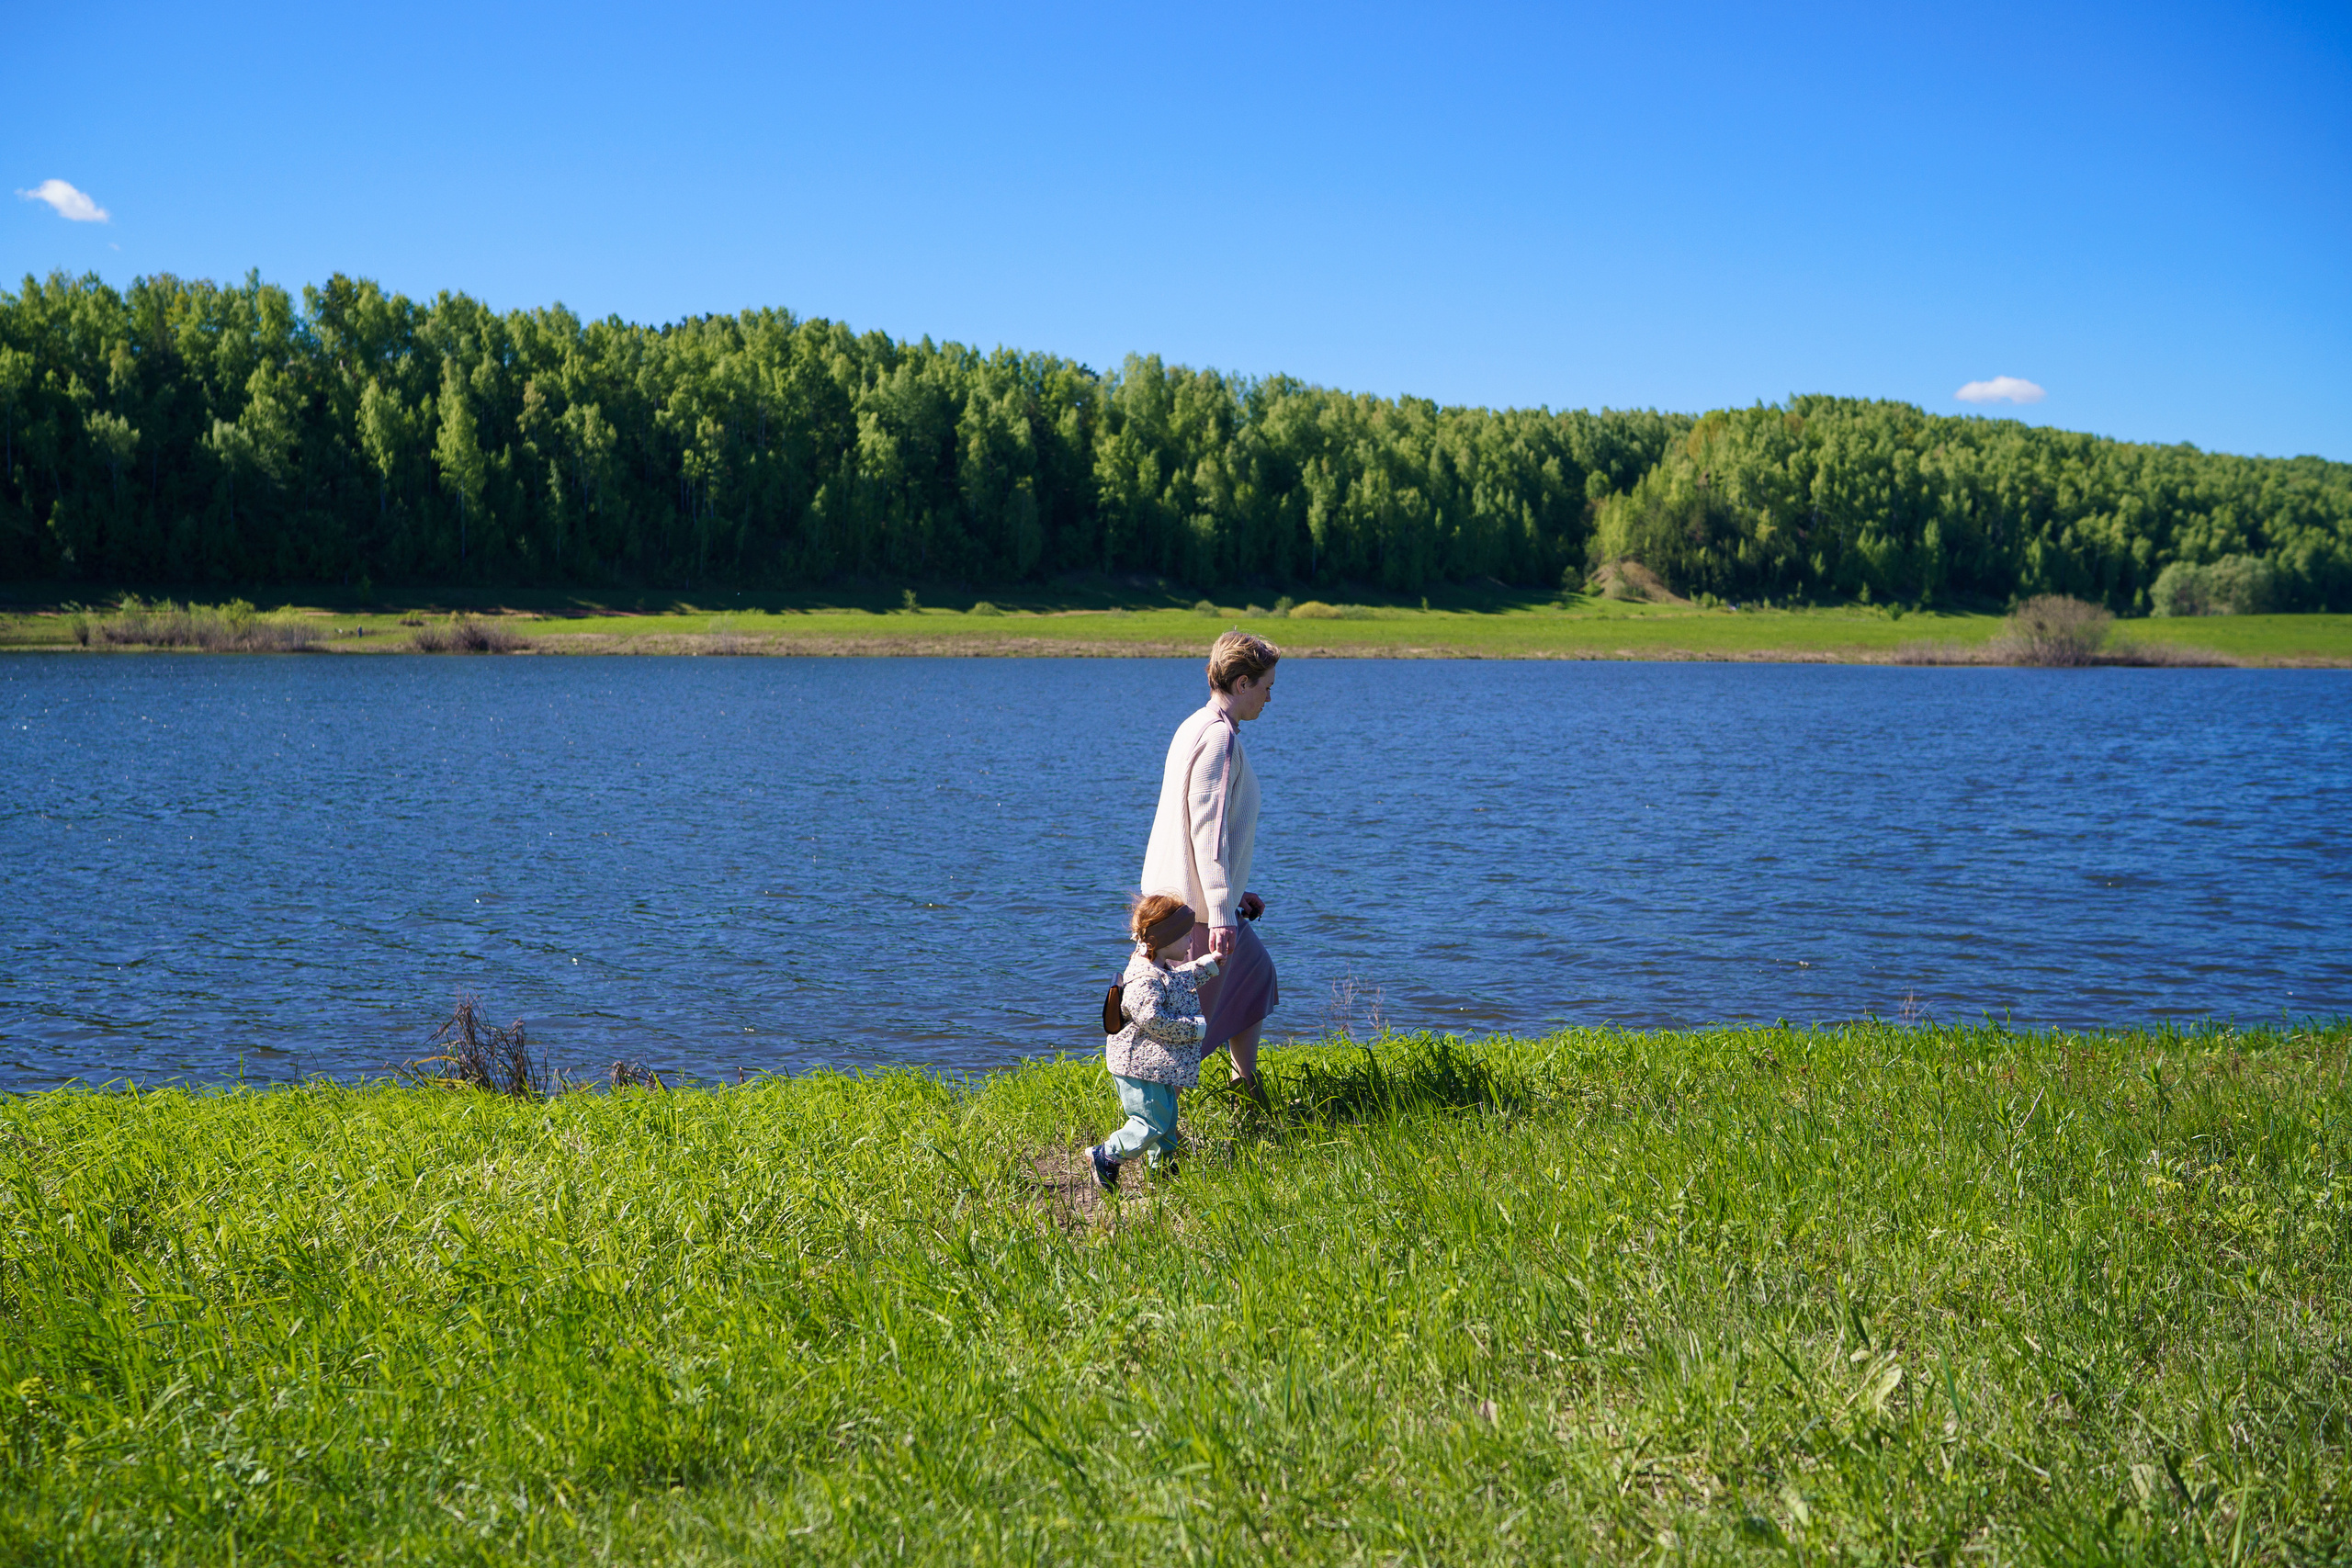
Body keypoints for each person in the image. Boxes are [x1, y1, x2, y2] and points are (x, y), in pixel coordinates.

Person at [1141, 630, 1280, 1100]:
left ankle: (1245, 1085)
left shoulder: (1195, 725)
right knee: (1177, 1038)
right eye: (1266, 687)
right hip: (1192, 916)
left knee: (1256, 973)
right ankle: (1136, 1140)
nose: (1268, 698)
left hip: (1188, 899)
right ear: (1242, 683)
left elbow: (1190, 824)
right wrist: (1221, 911)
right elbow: (1207, 829)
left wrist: (1234, 891)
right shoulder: (1218, 737)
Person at [1090, 893, 1220, 1190]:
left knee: (1166, 1122)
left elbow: (1176, 981)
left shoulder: (1157, 965)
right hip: (1137, 1065)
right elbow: (1154, 1020)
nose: (1190, 943)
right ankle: (1107, 1155)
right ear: (1163, 940)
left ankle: (1163, 1175)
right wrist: (1195, 1027)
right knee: (1149, 1123)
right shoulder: (1143, 977)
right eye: (1185, 937)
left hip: (1154, 1065)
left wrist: (1210, 964)